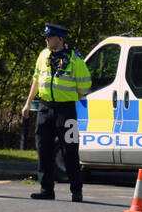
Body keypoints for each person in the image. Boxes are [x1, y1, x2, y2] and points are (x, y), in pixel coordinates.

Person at [21, 23, 91, 201]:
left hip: (66, 110)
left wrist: (67, 99)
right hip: (45, 108)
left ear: (60, 39)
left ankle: (76, 191)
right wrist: (28, 103)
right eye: (46, 37)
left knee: (70, 150)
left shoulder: (75, 60)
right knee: (43, 149)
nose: (46, 40)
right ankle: (46, 190)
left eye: (49, 37)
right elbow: (36, 80)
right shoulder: (43, 55)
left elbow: (83, 89)